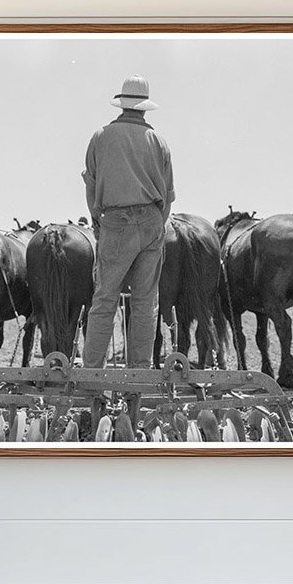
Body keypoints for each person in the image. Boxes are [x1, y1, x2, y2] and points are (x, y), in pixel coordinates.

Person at [81, 75, 175, 368]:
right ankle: (140, 373)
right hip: (151, 221)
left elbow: (91, 186)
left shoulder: (101, 136)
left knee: (105, 301)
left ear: (121, 104)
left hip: (115, 222)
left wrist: (98, 223)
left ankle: (93, 373)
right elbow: (169, 197)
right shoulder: (159, 141)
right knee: (146, 304)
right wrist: (156, 224)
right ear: (145, 108)